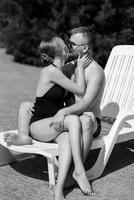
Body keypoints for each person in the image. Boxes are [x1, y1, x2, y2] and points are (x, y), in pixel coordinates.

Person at [4, 34, 92, 199]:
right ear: (59, 51)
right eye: (64, 45)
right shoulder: (51, 71)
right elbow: (80, 90)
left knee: (66, 141)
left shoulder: (60, 73)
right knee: (73, 120)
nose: (67, 46)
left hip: (54, 125)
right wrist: (80, 68)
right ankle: (80, 170)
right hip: (39, 125)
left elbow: (77, 95)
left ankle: (59, 189)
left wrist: (78, 69)